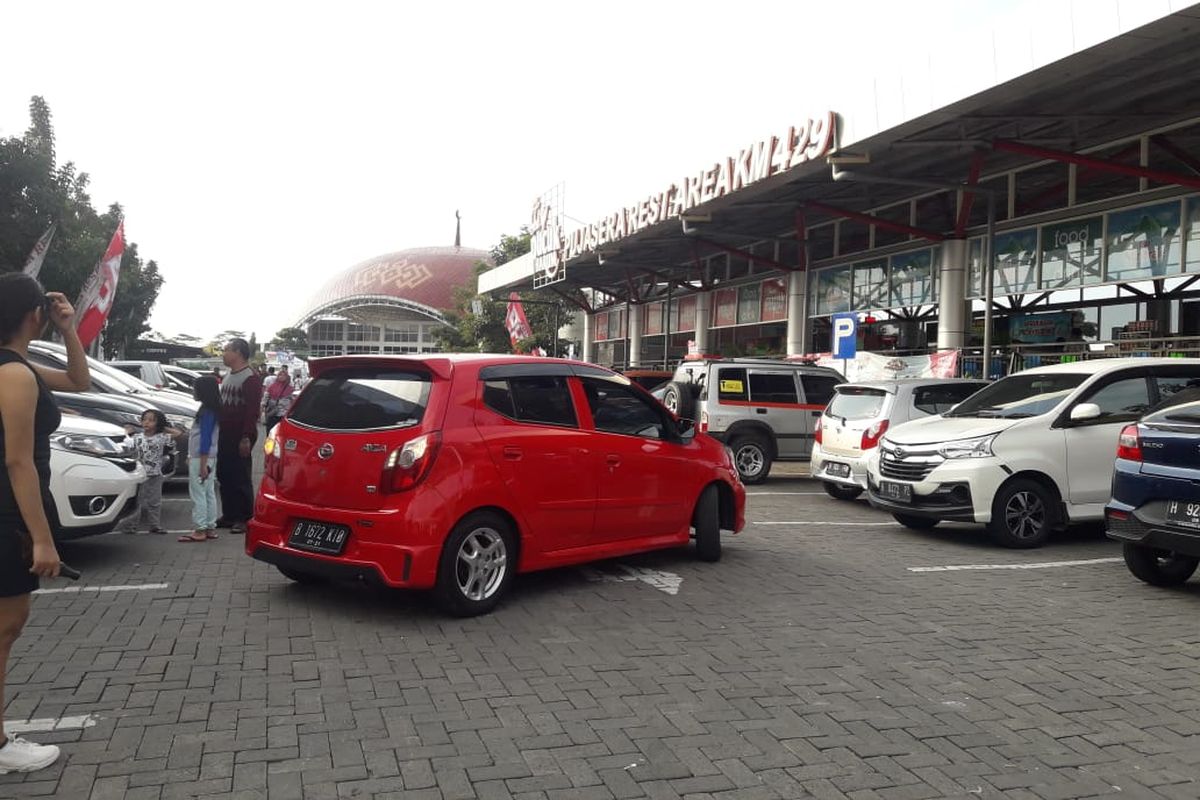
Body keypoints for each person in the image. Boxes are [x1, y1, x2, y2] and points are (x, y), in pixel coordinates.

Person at [0, 272, 89, 774]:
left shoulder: (16, 367)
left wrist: (70, 330)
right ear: (33, 315)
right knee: (6, 627)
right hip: (7, 514)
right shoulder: (12, 373)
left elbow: (79, 381)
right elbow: (18, 462)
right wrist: (41, 539)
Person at [215, 338, 262, 534]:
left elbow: (252, 411)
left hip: (240, 433)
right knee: (224, 473)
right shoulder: (227, 376)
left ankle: (244, 517)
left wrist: (246, 437)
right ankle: (229, 514)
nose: (224, 354)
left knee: (240, 475)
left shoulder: (250, 377)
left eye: (226, 350)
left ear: (238, 353)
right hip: (225, 433)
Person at [117, 410, 178, 535]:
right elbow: (125, 444)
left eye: (151, 420)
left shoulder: (161, 437)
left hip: (155, 474)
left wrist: (163, 427)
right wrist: (127, 432)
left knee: (154, 501)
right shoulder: (137, 437)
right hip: (140, 475)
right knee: (137, 501)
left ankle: (155, 525)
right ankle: (131, 526)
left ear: (158, 423)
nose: (147, 422)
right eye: (144, 419)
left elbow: (177, 433)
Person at [179, 376, 221, 543]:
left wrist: (202, 464)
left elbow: (205, 439)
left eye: (195, 388)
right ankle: (209, 526)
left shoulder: (206, 412)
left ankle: (200, 528)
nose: (193, 391)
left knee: (198, 493)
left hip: (202, 458)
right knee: (208, 492)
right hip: (209, 457)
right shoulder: (212, 409)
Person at [262, 365, 294, 431]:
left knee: (280, 431)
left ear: (287, 377)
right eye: (280, 375)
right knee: (270, 430)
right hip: (273, 412)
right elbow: (266, 395)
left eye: (284, 375)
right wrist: (263, 405)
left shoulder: (290, 389)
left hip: (284, 414)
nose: (282, 377)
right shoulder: (272, 386)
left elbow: (293, 400)